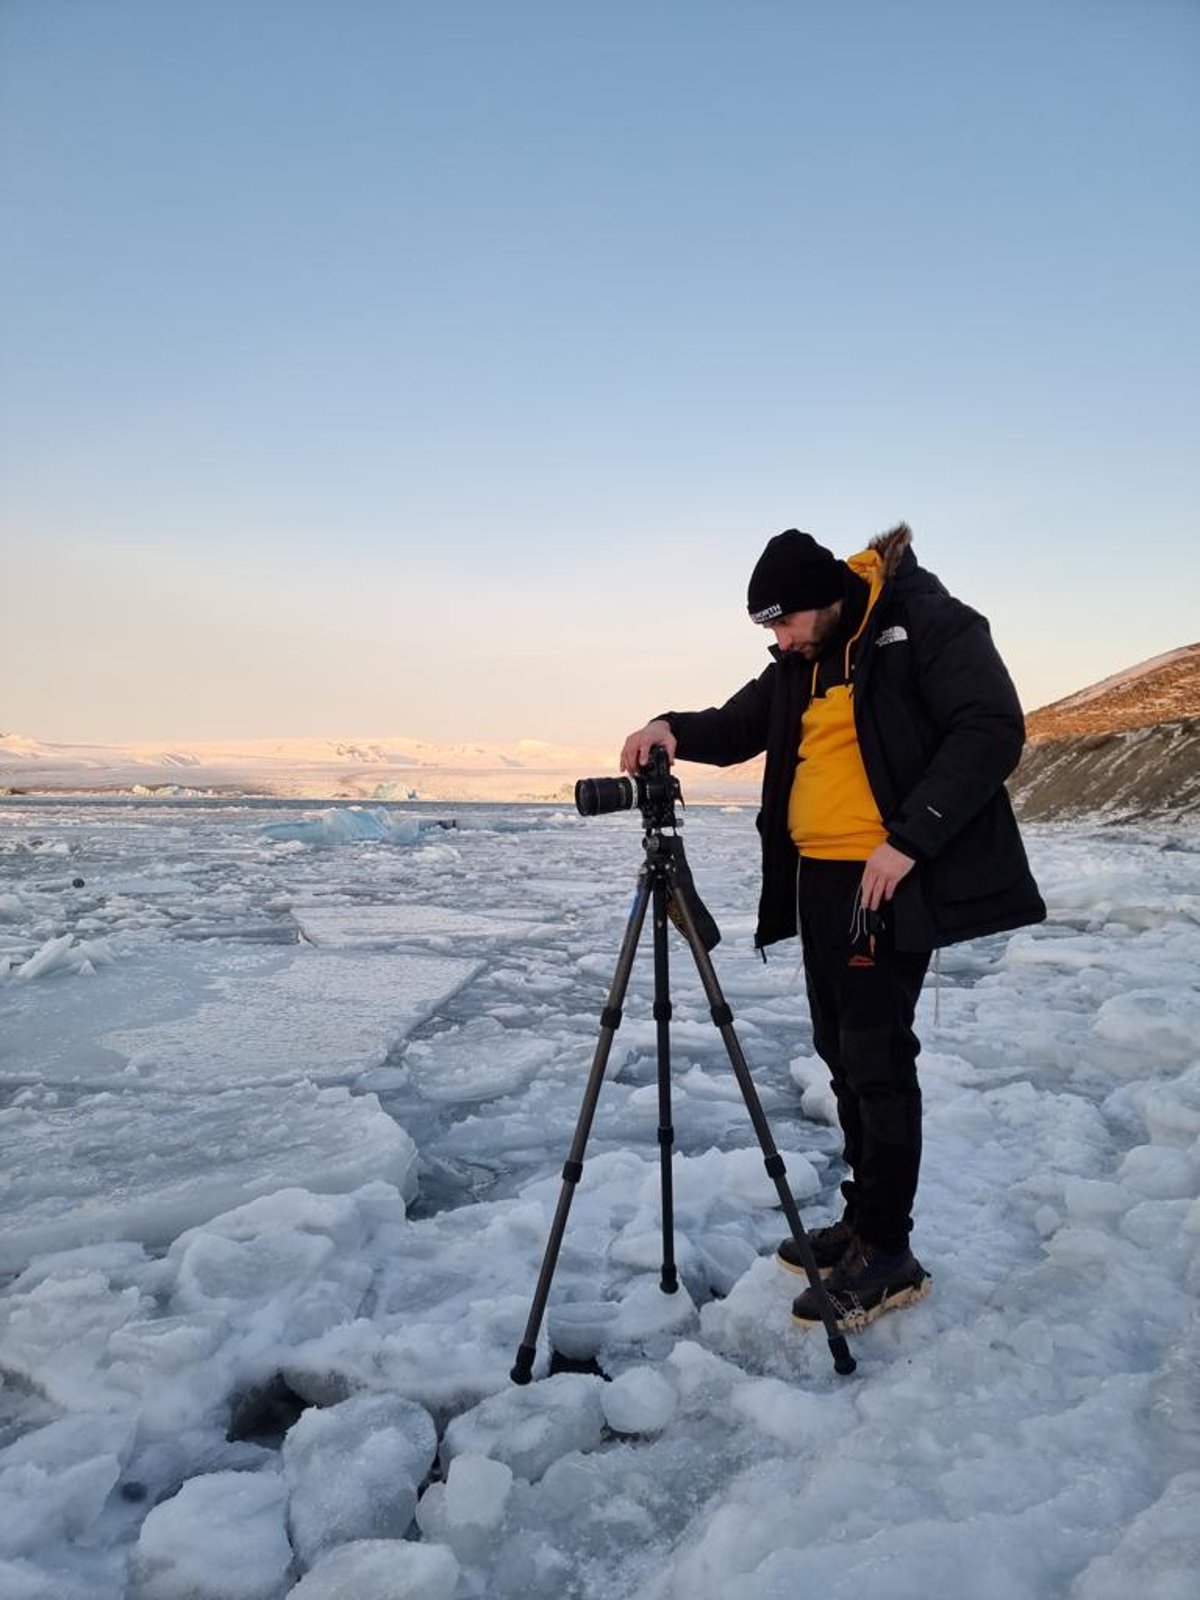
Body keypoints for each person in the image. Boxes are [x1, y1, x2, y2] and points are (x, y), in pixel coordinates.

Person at [620, 524, 1045, 1332]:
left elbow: (991, 728)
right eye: (769, 631)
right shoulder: (801, 662)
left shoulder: (928, 622)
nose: (778, 641)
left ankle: (889, 1253)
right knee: (840, 1053)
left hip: (889, 876)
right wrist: (668, 726)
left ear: (827, 599)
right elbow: (736, 724)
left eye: (784, 623)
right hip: (821, 881)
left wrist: (909, 838)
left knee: (877, 1058)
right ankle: (863, 1221)